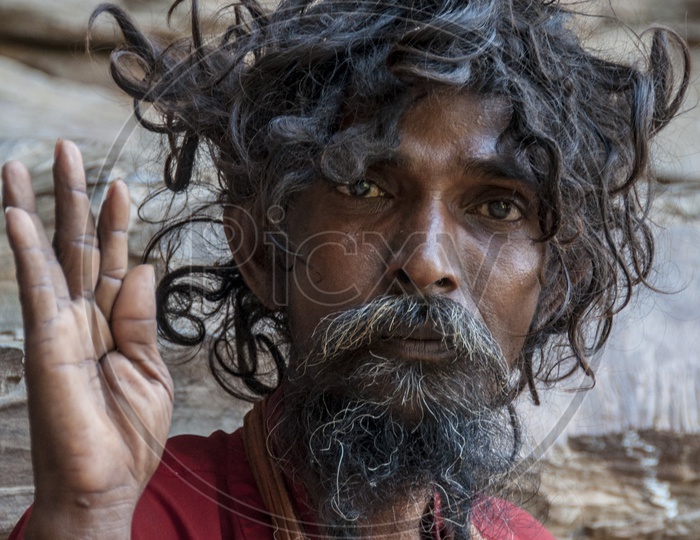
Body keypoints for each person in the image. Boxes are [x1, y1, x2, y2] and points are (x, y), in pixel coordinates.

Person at [1, 0, 689, 538]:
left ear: (555, 279)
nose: (425, 263)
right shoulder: (137, 519)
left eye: (498, 206)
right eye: (365, 188)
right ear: (264, 251)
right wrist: (86, 516)